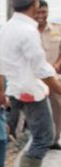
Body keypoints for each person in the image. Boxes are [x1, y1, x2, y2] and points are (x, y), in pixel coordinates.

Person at [0, 0, 61, 167]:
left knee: (37, 135)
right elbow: (41, 69)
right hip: (31, 90)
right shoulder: (27, 31)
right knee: (44, 137)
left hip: (17, 89)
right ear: (36, 4)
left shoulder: (8, 28)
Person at [37, 0, 61, 149]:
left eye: (43, 12)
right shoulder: (28, 31)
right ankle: (39, 138)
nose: (41, 15)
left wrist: (57, 64)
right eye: (38, 12)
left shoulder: (57, 29)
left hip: (53, 77)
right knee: (35, 110)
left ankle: (54, 139)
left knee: (57, 106)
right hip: (34, 78)